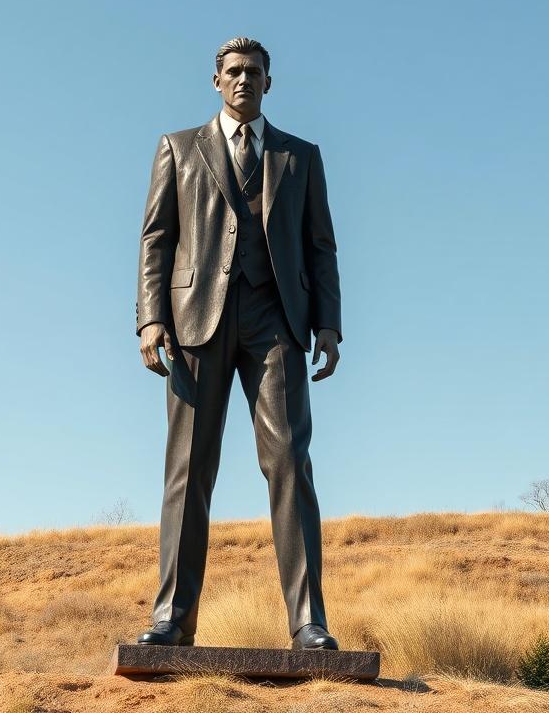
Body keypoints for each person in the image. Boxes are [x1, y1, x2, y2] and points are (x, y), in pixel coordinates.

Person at [134, 36, 342, 650]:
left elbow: (321, 247)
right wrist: (150, 319)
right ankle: (172, 619)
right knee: (189, 466)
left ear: (268, 82)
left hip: (277, 322)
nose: (244, 79)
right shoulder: (178, 148)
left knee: (290, 462)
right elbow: (156, 238)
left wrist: (328, 323)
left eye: (254, 71)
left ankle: (308, 622)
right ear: (216, 81)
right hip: (194, 321)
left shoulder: (301, 156)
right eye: (233, 71)